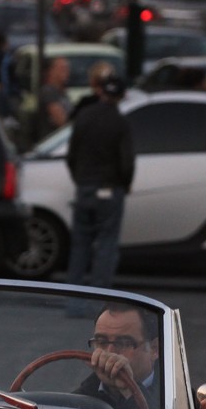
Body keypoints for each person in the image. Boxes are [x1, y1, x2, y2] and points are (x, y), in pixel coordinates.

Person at [65, 62, 135, 292]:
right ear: (122, 96)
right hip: (110, 188)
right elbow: (126, 162)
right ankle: (99, 299)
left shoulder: (84, 116)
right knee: (106, 245)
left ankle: (74, 301)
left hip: (85, 186)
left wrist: (80, 179)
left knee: (80, 246)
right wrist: (125, 184)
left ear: (102, 91)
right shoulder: (120, 122)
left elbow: (71, 155)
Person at [74, 301, 163, 409]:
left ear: (154, 349)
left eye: (124, 343)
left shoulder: (180, 402)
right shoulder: (79, 401)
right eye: (101, 342)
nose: (110, 353)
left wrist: (130, 389)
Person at [36, 56, 71, 136]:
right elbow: (61, 121)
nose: (67, 72)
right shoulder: (48, 92)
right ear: (52, 71)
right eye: (62, 69)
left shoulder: (62, 92)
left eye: (67, 69)